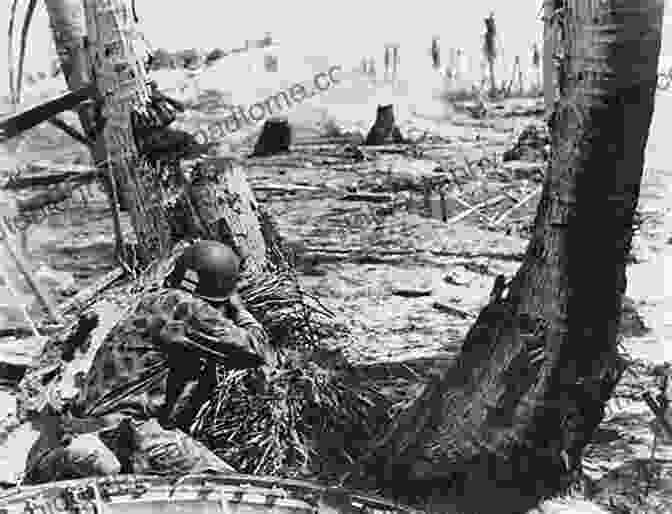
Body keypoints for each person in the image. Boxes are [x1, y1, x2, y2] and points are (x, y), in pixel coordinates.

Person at [25, 240, 276, 484]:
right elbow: (256, 350)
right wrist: (238, 308)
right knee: (232, 487)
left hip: (85, 425)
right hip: (128, 432)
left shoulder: (150, 301)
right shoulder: (187, 308)